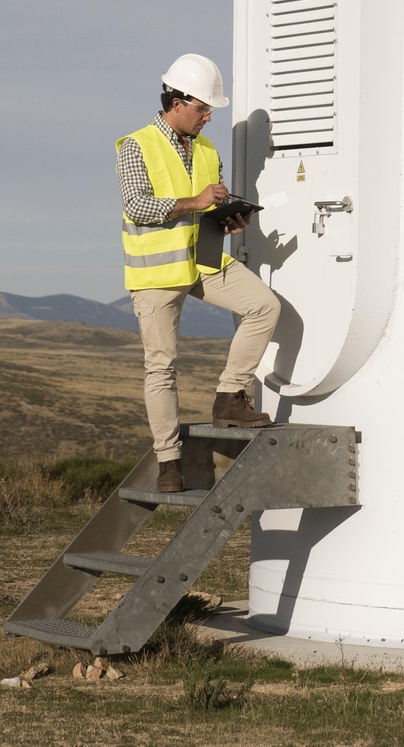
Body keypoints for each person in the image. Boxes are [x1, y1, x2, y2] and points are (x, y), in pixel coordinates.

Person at [116, 53, 280, 493]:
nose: (209, 117)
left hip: (204, 259)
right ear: (176, 101)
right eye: (203, 108)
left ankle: (229, 397)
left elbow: (206, 205)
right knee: (162, 368)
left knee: (264, 306)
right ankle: (169, 463)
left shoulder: (206, 149)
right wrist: (197, 201)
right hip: (156, 272)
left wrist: (229, 217)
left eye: (210, 110)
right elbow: (137, 206)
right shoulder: (136, 144)